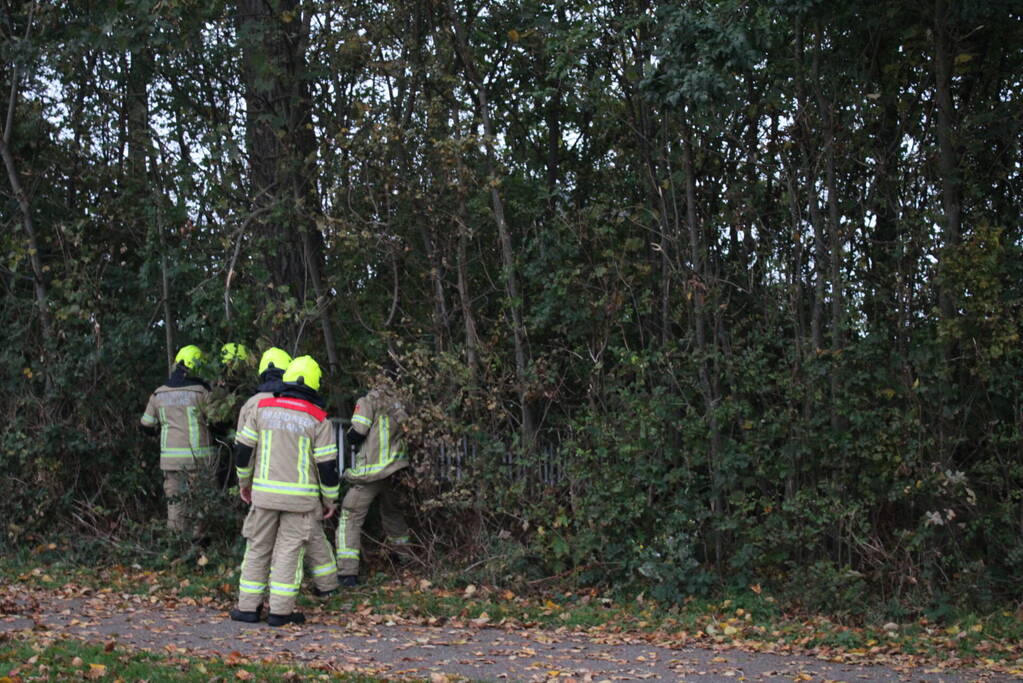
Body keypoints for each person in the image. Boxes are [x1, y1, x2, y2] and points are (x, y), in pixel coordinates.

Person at [230, 355, 340, 626]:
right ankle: (280, 612)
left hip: (264, 495)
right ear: (314, 385)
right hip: (300, 501)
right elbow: (327, 467)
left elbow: (243, 453)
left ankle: (247, 608)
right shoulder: (318, 419)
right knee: (289, 552)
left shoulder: (262, 408)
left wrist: (244, 484)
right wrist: (330, 500)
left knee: (257, 547)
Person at [336, 365, 413, 586]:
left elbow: (358, 431)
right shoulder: (403, 402)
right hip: (397, 469)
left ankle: (347, 572)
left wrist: (349, 439)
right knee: (392, 513)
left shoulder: (370, 401)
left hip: (373, 471)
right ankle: (406, 558)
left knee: (350, 516)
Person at [140, 344, 215, 537]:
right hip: (198, 460)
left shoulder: (159, 393)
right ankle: (200, 544)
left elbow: (146, 425)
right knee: (201, 504)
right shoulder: (202, 392)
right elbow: (217, 421)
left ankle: (175, 544)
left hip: (171, 461)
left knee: (175, 504)